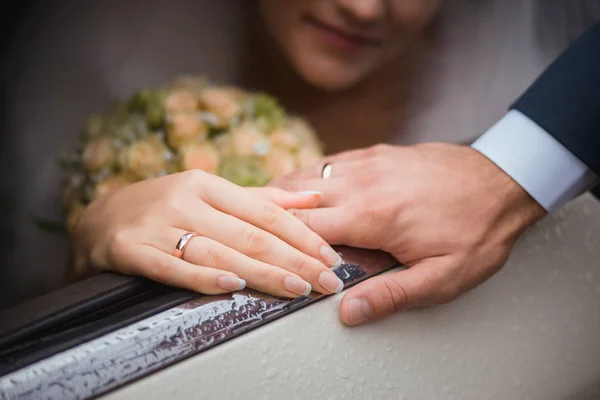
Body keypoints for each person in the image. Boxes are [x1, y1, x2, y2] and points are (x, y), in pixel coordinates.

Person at [2, 0, 598, 313]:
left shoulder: (519, 92)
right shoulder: (96, 62)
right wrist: (93, 242)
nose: (364, 8)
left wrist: (505, 174)